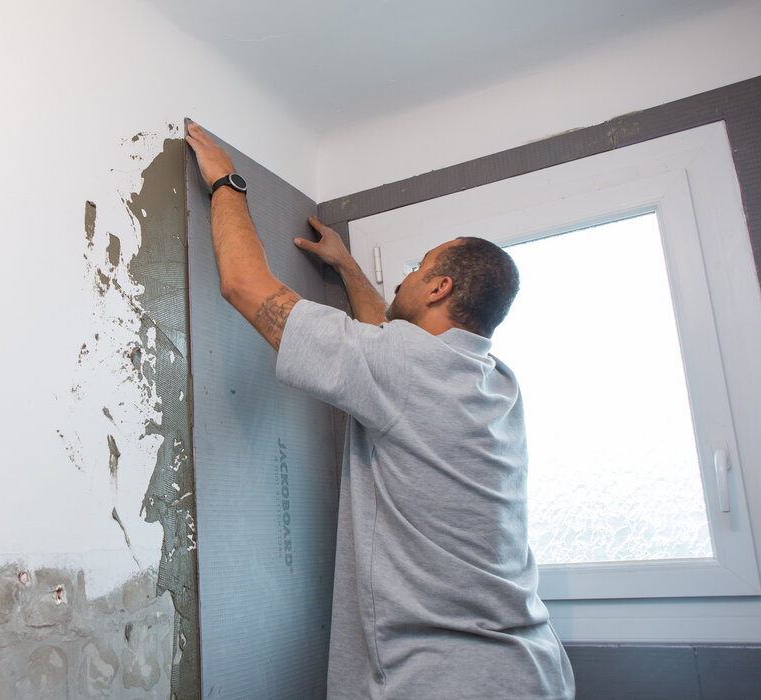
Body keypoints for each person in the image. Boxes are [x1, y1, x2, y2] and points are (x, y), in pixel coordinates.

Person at [185, 122, 575, 699]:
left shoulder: (405, 369)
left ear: (439, 288)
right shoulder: (493, 383)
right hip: (532, 672)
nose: (408, 275)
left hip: (444, 681)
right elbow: (391, 342)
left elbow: (245, 284)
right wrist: (345, 268)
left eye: (418, 268)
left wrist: (228, 182)